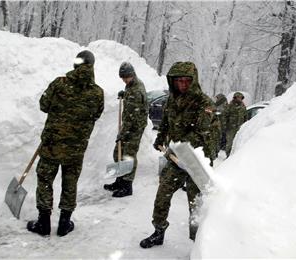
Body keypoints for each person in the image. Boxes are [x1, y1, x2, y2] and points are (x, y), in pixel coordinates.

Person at [140, 61, 217, 248]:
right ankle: (158, 231)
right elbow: (166, 123)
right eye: (178, 81)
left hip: (197, 160)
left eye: (186, 81)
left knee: (196, 205)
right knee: (162, 196)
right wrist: (161, 138)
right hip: (175, 160)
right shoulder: (171, 100)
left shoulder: (204, 103)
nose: (182, 84)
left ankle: (198, 246)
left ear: (193, 80)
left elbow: (202, 133)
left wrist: (180, 146)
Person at [27, 50, 104, 237]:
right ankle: (64, 223)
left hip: (52, 145)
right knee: (70, 184)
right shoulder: (97, 93)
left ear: (75, 64)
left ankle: (43, 223)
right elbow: (96, 114)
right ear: (92, 66)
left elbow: (43, 105)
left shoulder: (59, 84)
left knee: (45, 180)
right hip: (76, 150)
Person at [103, 62, 148, 197]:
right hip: (130, 124)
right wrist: (125, 94)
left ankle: (127, 186)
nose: (123, 80)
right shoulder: (132, 85)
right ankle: (119, 181)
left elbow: (131, 118)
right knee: (118, 153)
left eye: (125, 77)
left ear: (132, 75)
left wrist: (122, 134)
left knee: (128, 156)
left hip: (135, 128)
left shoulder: (136, 91)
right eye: (122, 78)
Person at [224, 91, 247, 157]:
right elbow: (225, 116)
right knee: (230, 143)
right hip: (230, 128)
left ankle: (234, 157)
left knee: (237, 142)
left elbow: (245, 116)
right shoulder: (230, 106)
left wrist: (245, 125)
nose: (239, 99)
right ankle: (228, 156)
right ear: (235, 97)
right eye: (238, 97)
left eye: (240, 98)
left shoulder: (243, 106)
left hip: (240, 128)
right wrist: (225, 126)